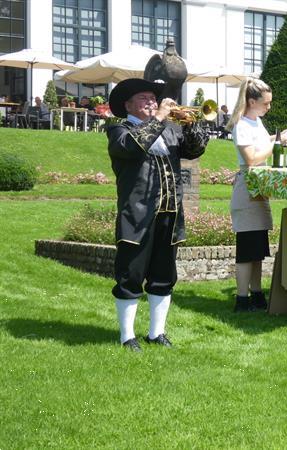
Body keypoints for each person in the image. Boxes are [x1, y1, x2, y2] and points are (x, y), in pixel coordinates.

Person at [106, 78, 208, 351]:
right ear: (128, 105)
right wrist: (161, 117)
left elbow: (194, 150)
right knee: (130, 275)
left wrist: (193, 124)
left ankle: (156, 333)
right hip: (137, 215)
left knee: (164, 275)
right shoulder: (119, 130)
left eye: (153, 98)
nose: (152, 102)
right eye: (144, 98)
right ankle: (127, 336)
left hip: (170, 213)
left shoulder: (169, 130)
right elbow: (134, 146)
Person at [225, 78, 287, 312]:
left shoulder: (256, 122)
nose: (269, 107)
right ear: (251, 101)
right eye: (265, 103)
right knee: (247, 250)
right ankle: (242, 299)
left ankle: (256, 295)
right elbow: (252, 158)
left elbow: (260, 146)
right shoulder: (242, 125)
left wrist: (277, 138)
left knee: (257, 250)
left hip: (258, 191)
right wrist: (278, 142)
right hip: (247, 191)